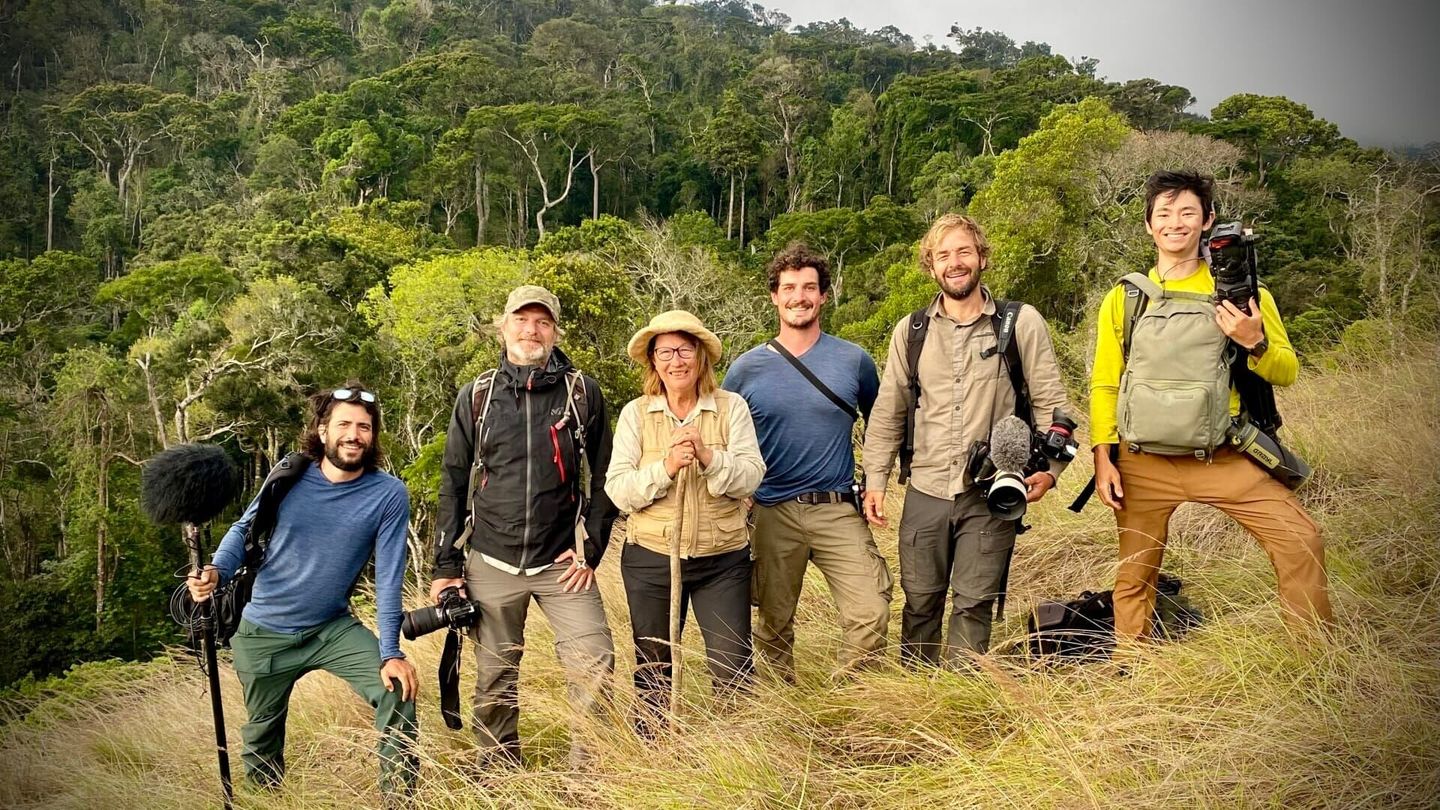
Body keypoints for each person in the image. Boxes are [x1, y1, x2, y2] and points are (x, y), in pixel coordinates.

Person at [1089, 170, 1331, 641]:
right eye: (1164, 213)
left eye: (1187, 213)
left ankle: (1314, 658)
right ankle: (1132, 668)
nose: (1175, 223)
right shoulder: (1125, 297)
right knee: (1135, 574)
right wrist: (1103, 454)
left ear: (1208, 221)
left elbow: (1287, 370)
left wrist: (1254, 341)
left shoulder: (1245, 294)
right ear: (1148, 225)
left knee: (1300, 540)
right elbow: (1105, 383)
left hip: (1224, 456)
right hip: (1143, 462)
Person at [862, 213, 1075, 666]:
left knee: (974, 601)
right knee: (920, 600)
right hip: (926, 488)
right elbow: (889, 408)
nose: (954, 263)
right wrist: (875, 479)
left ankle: (963, 700)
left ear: (981, 256)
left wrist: (1050, 473)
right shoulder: (912, 331)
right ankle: (916, 694)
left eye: (963, 251)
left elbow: (1053, 404)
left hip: (992, 490)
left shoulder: (1021, 323)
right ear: (931, 266)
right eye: (943, 255)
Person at [187, 382, 418, 799]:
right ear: (323, 430)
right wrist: (217, 571)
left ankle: (401, 800)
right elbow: (244, 528)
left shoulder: (388, 494)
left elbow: (389, 577)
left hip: (330, 628)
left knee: (396, 689)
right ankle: (267, 802)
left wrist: (391, 653)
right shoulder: (289, 475)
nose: (354, 434)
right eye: (344, 424)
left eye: (364, 427)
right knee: (262, 737)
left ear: (373, 435)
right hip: (263, 632)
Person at [430, 285, 617, 768]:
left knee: (594, 662)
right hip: (491, 558)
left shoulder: (582, 393)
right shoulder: (477, 395)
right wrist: (446, 566)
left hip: (562, 563)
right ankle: (497, 772)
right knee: (493, 678)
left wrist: (590, 550)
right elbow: (452, 481)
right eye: (522, 319)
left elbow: (606, 475)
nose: (531, 330)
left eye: (542, 322)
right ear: (503, 326)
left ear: (555, 331)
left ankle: (587, 776)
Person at [723, 244, 891, 680]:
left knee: (871, 610)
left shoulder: (854, 360)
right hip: (772, 509)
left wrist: (876, 482)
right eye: (790, 288)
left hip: (838, 507)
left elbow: (884, 424)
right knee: (773, 624)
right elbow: (723, 437)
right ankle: (786, 707)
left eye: (810, 288)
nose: (800, 296)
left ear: (824, 297)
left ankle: (847, 698)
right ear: (775, 297)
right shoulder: (745, 370)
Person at [605, 310, 766, 731]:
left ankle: (740, 755)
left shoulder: (731, 409)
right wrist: (667, 467)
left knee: (733, 665)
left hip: (722, 559)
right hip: (651, 559)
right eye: (665, 353)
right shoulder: (635, 415)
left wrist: (710, 458)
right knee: (654, 667)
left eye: (684, 350)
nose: (676, 361)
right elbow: (619, 489)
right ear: (653, 363)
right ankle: (656, 756)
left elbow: (752, 475)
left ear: (700, 356)